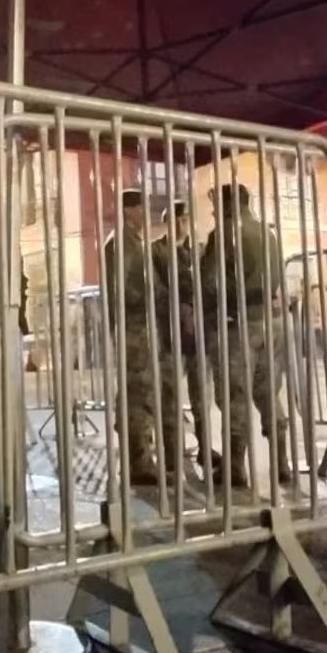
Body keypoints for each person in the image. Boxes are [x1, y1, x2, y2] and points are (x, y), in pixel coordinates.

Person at [201, 184, 291, 488]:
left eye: (217, 205)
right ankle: (282, 462)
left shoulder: (223, 235)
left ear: (228, 205)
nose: (214, 211)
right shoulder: (268, 233)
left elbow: (208, 281)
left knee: (234, 396)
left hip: (239, 324)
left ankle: (235, 467)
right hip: (271, 322)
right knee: (268, 393)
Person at [104, 189, 177, 485]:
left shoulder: (132, 242)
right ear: (128, 211)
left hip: (141, 327)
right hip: (134, 329)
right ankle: (139, 462)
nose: (146, 215)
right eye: (141, 209)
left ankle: (140, 458)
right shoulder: (121, 245)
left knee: (139, 393)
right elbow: (127, 290)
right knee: (138, 394)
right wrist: (156, 296)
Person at [153, 200, 213, 473]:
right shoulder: (157, 252)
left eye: (184, 219)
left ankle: (205, 448)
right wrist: (183, 297)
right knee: (170, 397)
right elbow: (157, 290)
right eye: (175, 219)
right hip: (170, 333)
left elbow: (209, 285)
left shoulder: (200, 250)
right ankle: (172, 452)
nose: (180, 224)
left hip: (198, 334)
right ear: (167, 223)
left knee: (202, 397)